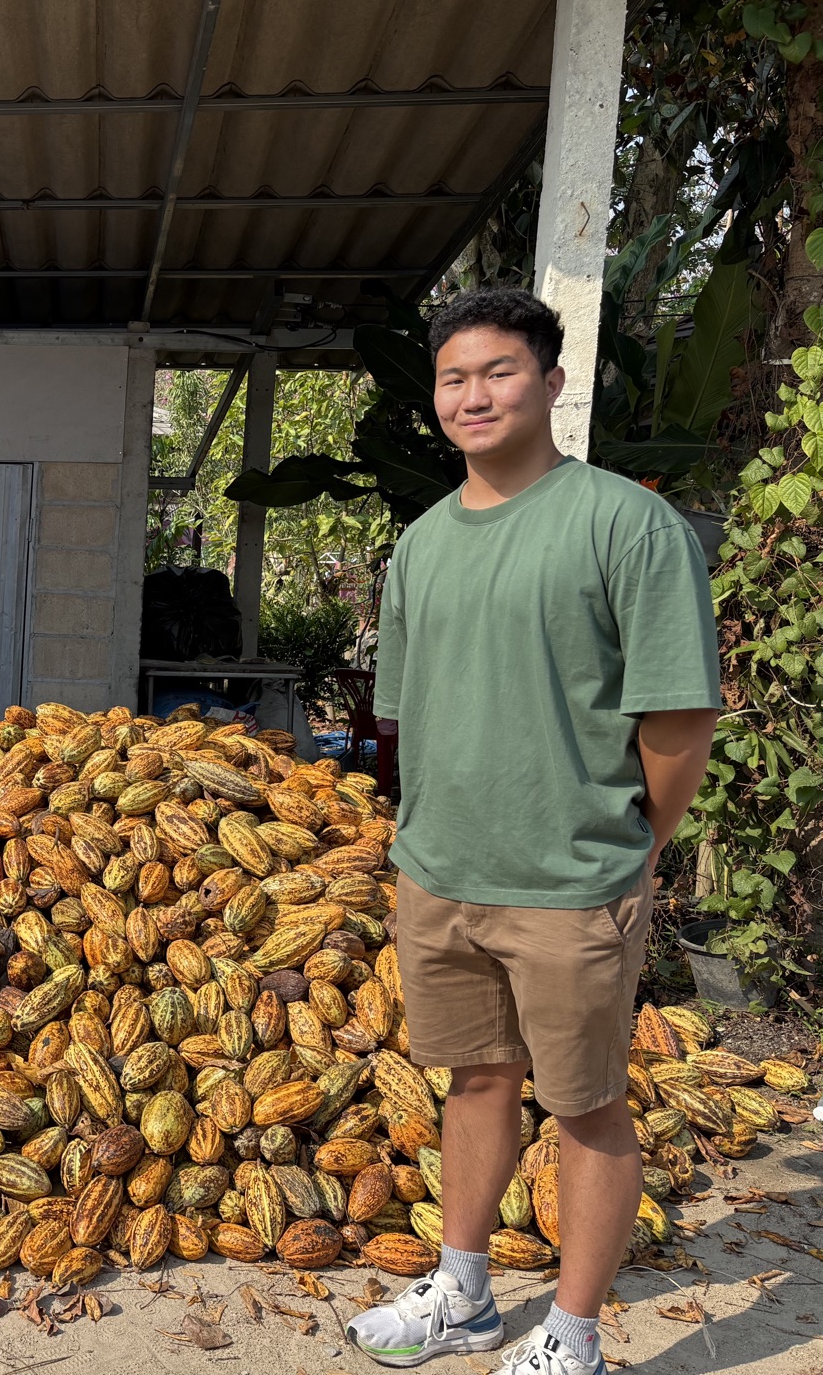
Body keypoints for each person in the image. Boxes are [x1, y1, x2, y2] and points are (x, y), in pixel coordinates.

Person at [345, 289, 721, 1375]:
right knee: (476, 1081)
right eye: (455, 379)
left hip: (572, 879)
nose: (474, 395)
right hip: (445, 873)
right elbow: (411, 716)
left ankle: (575, 1334)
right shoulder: (420, 544)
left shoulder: (623, 523)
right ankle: (462, 1296)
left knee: (590, 1107)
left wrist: (638, 846)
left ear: (552, 383)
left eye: (499, 372)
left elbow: (679, 716)